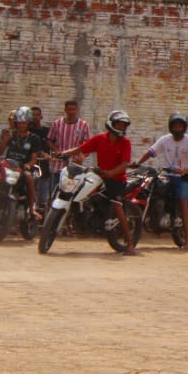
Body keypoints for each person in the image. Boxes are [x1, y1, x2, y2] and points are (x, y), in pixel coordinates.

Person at [58, 110, 136, 256]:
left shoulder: (125, 142)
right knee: (80, 190)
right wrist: (62, 153)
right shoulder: (100, 139)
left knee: (117, 206)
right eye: (118, 124)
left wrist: (111, 173)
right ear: (111, 124)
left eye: (123, 125)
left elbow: (125, 163)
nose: (120, 127)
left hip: (117, 180)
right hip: (99, 176)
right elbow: (81, 149)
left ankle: (130, 243)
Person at [134, 112, 188, 251]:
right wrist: (137, 163)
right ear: (171, 127)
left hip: (186, 178)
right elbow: (151, 152)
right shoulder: (165, 140)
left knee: (183, 200)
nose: (178, 128)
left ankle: (187, 241)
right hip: (169, 177)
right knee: (150, 190)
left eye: (180, 126)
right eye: (175, 126)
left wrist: (186, 169)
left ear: (184, 127)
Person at [0, 106, 45, 221]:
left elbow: (34, 158)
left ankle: (31, 208)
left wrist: (28, 165)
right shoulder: (11, 134)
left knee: (29, 178)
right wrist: (4, 141)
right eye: (19, 123)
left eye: (24, 123)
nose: (21, 125)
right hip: (9, 166)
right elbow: (0, 151)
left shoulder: (34, 138)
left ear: (29, 123)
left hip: (23, 167)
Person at [47, 99, 91, 192]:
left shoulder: (84, 125)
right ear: (65, 110)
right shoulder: (57, 124)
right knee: (54, 191)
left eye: (73, 109)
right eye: (69, 109)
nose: (71, 112)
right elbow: (49, 140)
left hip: (74, 165)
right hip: (57, 164)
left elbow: (88, 145)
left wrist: (82, 157)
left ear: (77, 110)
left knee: (69, 192)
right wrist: (57, 150)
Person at [29, 106, 51, 213]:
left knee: (43, 198)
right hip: (29, 168)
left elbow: (52, 145)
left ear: (41, 116)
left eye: (37, 114)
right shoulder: (27, 132)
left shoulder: (47, 131)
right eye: (32, 115)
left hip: (44, 168)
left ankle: (42, 222)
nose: (35, 117)